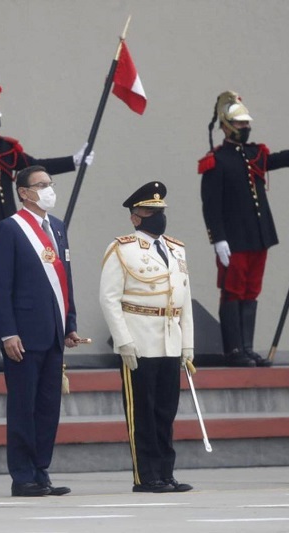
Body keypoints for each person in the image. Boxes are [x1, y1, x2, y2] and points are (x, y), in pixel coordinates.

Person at [0, 80, 93, 373]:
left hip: (10, 231)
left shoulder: (5, 149)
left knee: (4, 290)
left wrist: (73, 161)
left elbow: (34, 166)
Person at [199, 90, 289, 367]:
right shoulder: (216, 160)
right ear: (227, 126)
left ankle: (248, 347)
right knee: (233, 292)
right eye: (240, 124)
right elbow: (211, 205)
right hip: (234, 240)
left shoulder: (255, 153)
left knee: (251, 291)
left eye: (246, 124)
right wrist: (218, 239)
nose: (245, 128)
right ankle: (234, 351)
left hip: (258, 235)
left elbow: (281, 160)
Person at [0, 165, 83, 497]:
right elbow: (0, 287)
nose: (48, 189)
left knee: (47, 406)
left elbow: (65, 280)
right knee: (23, 406)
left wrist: (69, 323)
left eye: (50, 183)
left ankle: (41, 470)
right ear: (25, 193)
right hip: (23, 336)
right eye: (41, 185)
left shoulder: (57, 227)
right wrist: (8, 332)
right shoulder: (10, 229)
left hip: (53, 332)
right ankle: (22, 475)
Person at [98, 181, 194, 494]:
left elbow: (184, 300)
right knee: (143, 412)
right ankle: (146, 476)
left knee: (166, 411)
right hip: (139, 340)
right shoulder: (122, 248)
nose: (157, 215)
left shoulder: (176, 249)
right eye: (149, 211)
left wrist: (187, 345)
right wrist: (123, 341)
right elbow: (109, 298)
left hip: (169, 337)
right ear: (135, 217)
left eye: (160, 210)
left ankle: (166, 473)